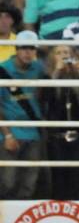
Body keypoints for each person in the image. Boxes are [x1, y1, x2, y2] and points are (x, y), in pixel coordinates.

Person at [41, 44, 79, 201]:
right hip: (57, 139)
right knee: (59, 181)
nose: (63, 56)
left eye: (66, 52)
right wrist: (56, 73)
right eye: (58, 53)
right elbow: (45, 101)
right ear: (53, 58)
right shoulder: (47, 79)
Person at [0, 30, 44, 200]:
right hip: (10, 133)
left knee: (29, 184)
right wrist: (8, 135)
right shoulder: (3, 70)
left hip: (33, 132)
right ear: (16, 49)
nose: (28, 52)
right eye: (24, 48)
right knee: (7, 182)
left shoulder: (38, 68)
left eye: (32, 48)